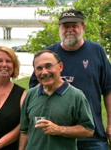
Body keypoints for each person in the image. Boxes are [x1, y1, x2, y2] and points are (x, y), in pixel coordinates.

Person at [29, 9, 111, 149]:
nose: (70, 30)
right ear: (59, 28)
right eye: (66, 26)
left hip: (92, 135)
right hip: (56, 137)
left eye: (75, 26)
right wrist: (54, 83)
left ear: (83, 27)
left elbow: (108, 90)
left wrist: (110, 124)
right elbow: (35, 91)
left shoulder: (97, 51)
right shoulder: (49, 54)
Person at [20, 50, 94, 150]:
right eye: (39, 68)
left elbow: (88, 130)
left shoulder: (76, 96)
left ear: (60, 67)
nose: (44, 72)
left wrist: (59, 130)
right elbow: (24, 131)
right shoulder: (30, 94)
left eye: (49, 66)